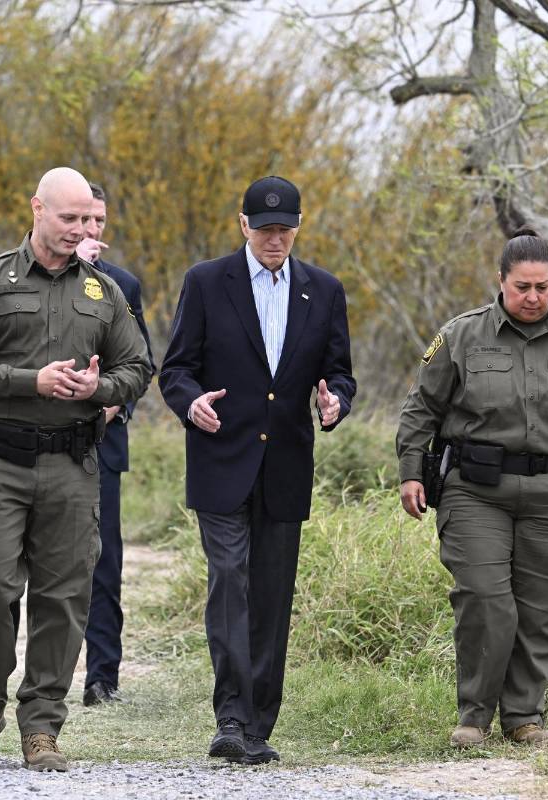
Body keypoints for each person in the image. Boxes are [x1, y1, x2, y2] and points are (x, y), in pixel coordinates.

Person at [0, 167, 151, 772]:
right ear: (37, 209)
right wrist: (28, 380)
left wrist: (98, 386)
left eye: (87, 220)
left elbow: (138, 367)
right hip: (1, 462)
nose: (78, 230)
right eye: (68, 218)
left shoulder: (103, 293)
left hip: (72, 461)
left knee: (63, 597)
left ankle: (41, 725)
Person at [396, 227, 548, 749]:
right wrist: (412, 470)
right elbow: (421, 409)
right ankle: (473, 717)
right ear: (500, 281)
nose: (533, 297)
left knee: (544, 608)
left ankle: (524, 718)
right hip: (477, 489)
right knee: (485, 599)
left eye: (542, 287)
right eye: (522, 286)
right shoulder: (463, 335)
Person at [159, 175, 356, 764]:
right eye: (266, 229)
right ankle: (231, 716)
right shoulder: (205, 283)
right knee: (229, 582)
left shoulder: (323, 290)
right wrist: (190, 403)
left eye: (286, 229)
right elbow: (176, 370)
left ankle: (259, 723)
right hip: (221, 460)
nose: (276, 239)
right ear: (243, 225)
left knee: (271, 595)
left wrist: (335, 402)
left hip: (286, 466)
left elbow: (340, 372)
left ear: (298, 227)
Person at [75, 182, 154, 707]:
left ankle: (103, 677)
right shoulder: (14, 278)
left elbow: (141, 365)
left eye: (99, 220)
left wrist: (115, 404)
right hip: (34, 441)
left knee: (104, 563)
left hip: (102, 445)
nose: (92, 230)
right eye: (82, 219)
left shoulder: (123, 285)